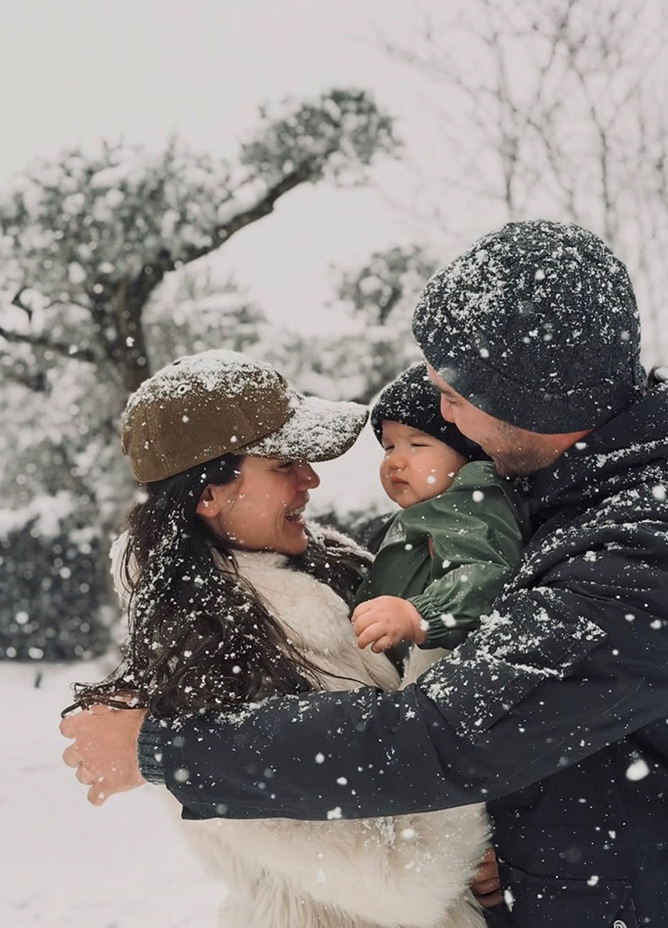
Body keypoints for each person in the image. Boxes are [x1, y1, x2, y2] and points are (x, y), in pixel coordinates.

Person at [61, 220, 668, 927]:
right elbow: (381, 855)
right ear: (206, 495)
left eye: (455, 396)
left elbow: (443, 735)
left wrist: (159, 749)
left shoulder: (632, 549)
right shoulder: (550, 502)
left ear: (535, 396)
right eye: (284, 462)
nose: (442, 416)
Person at [63, 349, 491, 928]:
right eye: (284, 462)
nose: (311, 478)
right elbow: (403, 876)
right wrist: (440, 634)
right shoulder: (206, 654)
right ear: (207, 495)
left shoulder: (325, 572)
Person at [352, 362, 526, 673]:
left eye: (417, 445)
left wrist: (419, 615)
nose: (395, 462)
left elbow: (485, 573)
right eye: (388, 447)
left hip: (436, 668)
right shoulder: (432, 509)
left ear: (467, 452)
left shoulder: (472, 499)